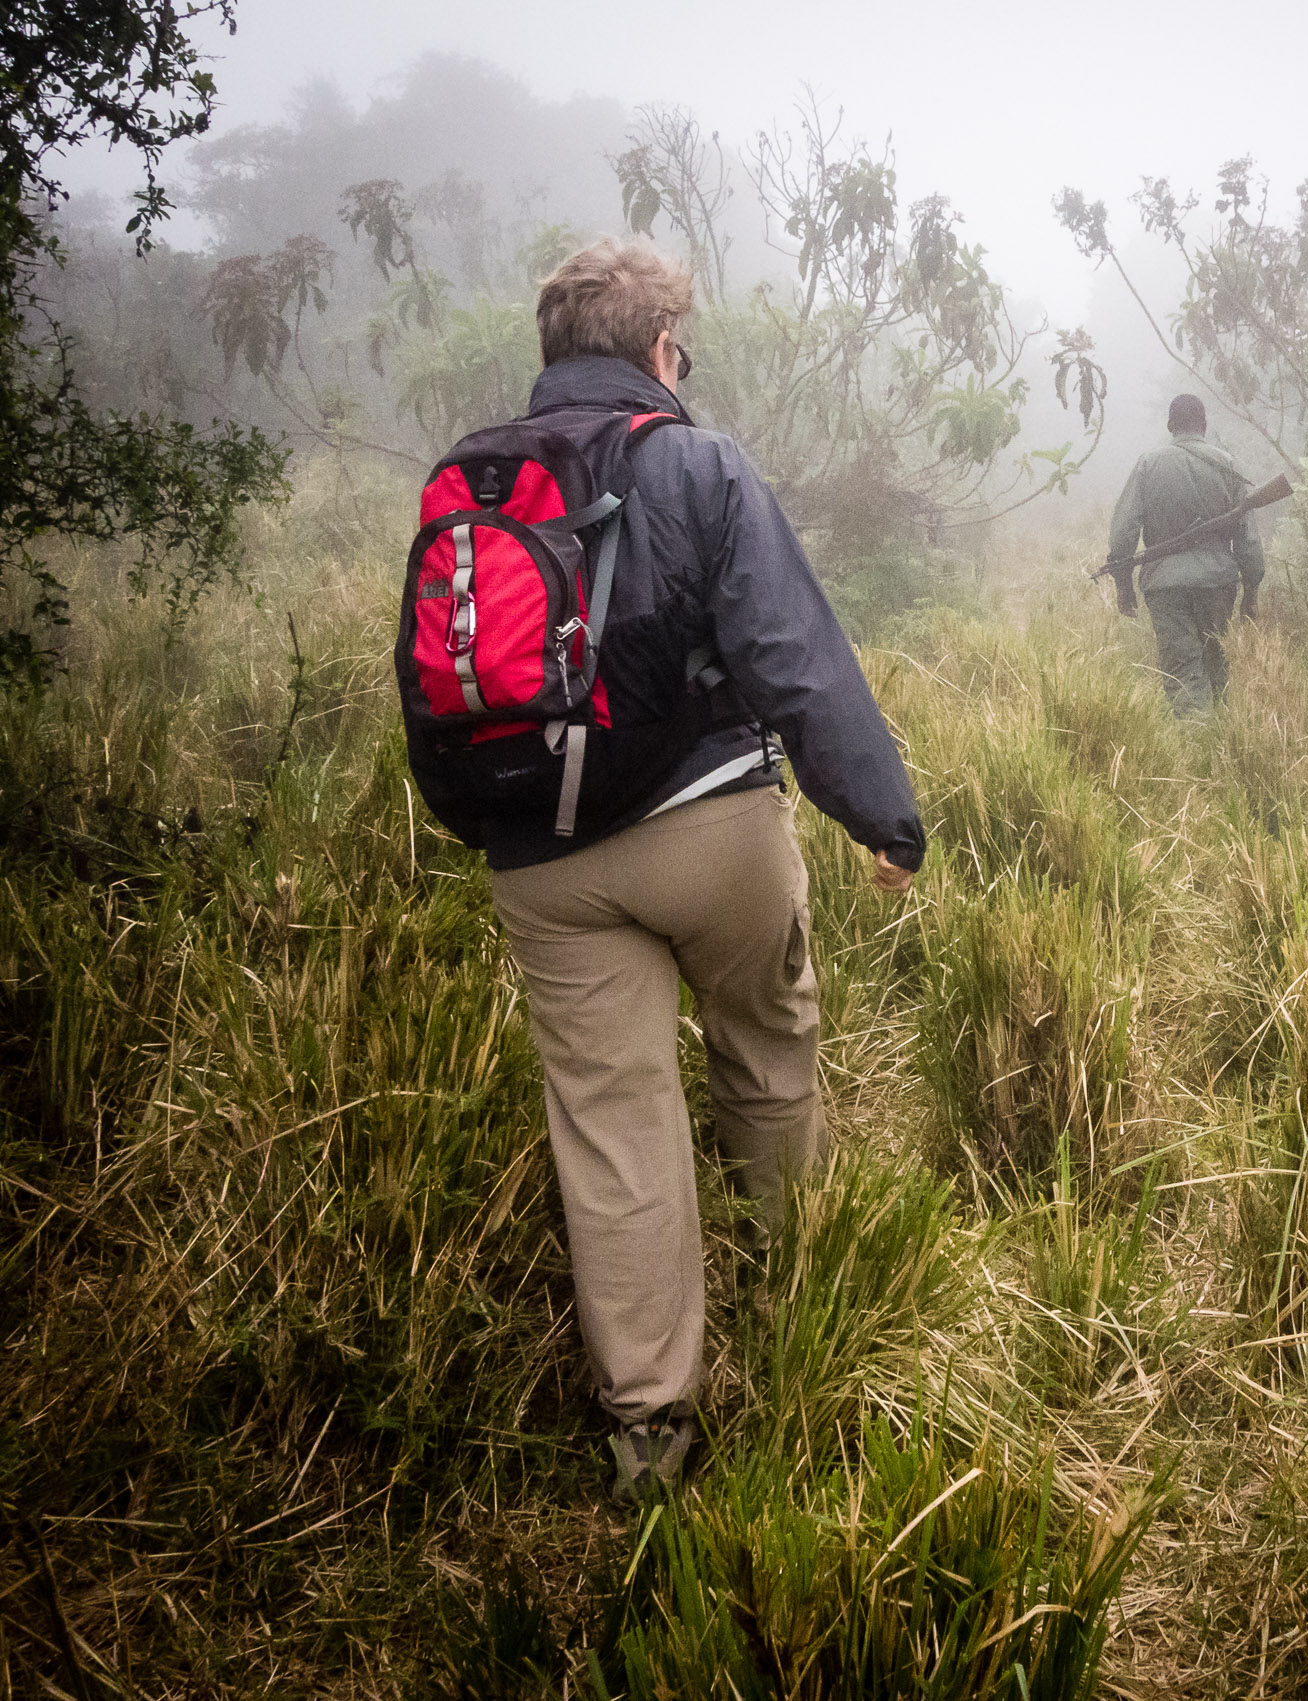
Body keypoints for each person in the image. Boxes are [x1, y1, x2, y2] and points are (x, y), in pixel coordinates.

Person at [404, 241, 924, 1504]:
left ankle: (650, 1428)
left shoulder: (468, 476)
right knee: (766, 1042)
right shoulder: (694, 460)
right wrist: (880, 816)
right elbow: (792, 651)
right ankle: (801, 1294)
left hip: (538, 859)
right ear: (656, 352)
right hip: (709, 831)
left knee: (613, 1124)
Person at [1105, 394, 1264, 715]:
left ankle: (1197, 748)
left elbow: (1123, 533)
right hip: (1218, 584)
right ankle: (1221, 746)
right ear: (1203, 426)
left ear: (1169, 426)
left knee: (1183, 672)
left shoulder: (1148, 464)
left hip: (1166, 588)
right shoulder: (1228, 466)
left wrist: (1123, 585)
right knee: (1216, 663)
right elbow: (1246, 536)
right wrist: (1252, 589)